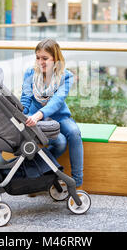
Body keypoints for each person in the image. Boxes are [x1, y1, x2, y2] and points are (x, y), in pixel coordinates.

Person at [20, 38, 84, 189]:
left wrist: (39, 114)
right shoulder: (30, 73)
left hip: (58, 116)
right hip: (34, 118)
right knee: (60, 143)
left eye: (45, 58)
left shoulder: (66, 76)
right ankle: (34, 173)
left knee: (74, 132)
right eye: (37, 57)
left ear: (55, 59)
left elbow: (57, 101)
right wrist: (22, 116)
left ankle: (76, 183)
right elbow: (26, 98)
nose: (40, 62)